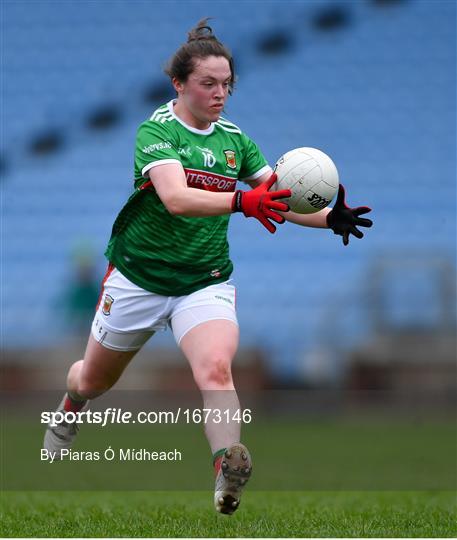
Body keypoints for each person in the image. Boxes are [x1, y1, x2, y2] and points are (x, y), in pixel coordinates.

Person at [43, 19, 372, 515]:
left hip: (205, 280)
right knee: (91, 380)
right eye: (208, 84)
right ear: (179, 83)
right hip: (138, 278)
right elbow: (176, 198)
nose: (221, 94)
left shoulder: (235, 141)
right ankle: (71, 407)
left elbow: (276, 200)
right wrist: (243, 203)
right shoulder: (157, 131)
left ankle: (225, 469)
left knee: (217, 370)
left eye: (227, 85)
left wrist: (329, 218)